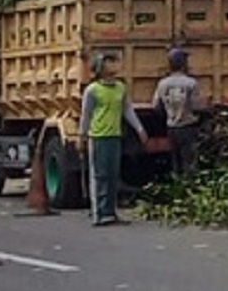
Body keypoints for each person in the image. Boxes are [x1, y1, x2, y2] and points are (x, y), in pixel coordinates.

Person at [79, 51, 148, 226]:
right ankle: (99, 213)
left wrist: (139, 129)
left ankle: (110, 212)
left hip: (114, 136)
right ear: (101, 67)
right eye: (110, 62)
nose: (115, 65)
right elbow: (85, 115)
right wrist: (82, 136)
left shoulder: (120, 87)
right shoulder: (92, 90)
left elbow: (127, 110)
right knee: (99, 176)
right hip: (98, 136)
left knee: (112, 175)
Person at [152, 48, 203, 178]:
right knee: (189, 163)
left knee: (175, 163)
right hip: (188, 127)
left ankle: (177, 188)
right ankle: (189, 190)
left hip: (171, 128)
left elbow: (156, 106)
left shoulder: (162, 84)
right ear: (184, 64)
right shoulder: (191, 83)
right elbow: (196, 107)